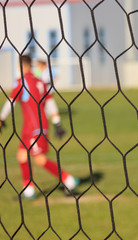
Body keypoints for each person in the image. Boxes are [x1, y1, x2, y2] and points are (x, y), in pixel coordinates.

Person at [0, 55, 79, 200]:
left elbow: (11, 102)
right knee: (22, 156)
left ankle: (69, 180)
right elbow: (50, 102)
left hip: (34, 128)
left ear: (21, 66)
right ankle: (28, 191)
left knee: (39, 159)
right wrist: (57, 123)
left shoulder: (21, 82)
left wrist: (1, 118)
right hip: (34, 127)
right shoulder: (41, 82)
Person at [35, 59, 66, 139]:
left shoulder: (49, 70)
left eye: (38, 64)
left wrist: (51, 82)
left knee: (51, 110)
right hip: (40, 95)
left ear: (42, 64)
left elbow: (57, 77)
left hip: (48, 93)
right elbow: (35, 79)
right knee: (46, 112)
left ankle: (57, 128)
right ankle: (55, 128)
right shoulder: (38, 71)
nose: (37, 66)